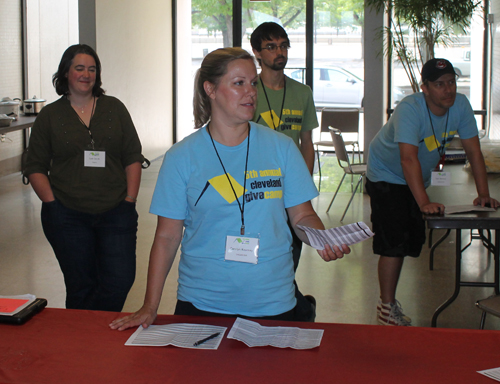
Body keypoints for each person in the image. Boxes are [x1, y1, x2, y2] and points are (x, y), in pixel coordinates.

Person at [110, 47, 349, 331]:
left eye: (253, 83)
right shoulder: (182, 156)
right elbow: (167, 236)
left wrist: (321, 237)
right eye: (239, 83)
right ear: (210, 89)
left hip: (272, 302)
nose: (250, 92)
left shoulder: (282, 148)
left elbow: (301, 216)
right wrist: (150, 306)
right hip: (203, 303)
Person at [366, 58, 499, 326]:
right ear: (424, 87)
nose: (447, 90)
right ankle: (386, 305)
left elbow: (473, 150)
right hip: (385, 174)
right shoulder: (410, 109)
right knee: (394, 241)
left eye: (451, 82)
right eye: (439, 85)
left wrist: (483, 193)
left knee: (410, 239)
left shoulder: (460, 105)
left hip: (416, 177)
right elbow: (408, 159)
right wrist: (424, 201)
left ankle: (389, 302)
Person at [24, 44, 144, 312]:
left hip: (116, 210)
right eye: (79, 68)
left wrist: (129, 200)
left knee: (120, 279)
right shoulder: (50, 116)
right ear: (66, 72)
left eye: (92, 69)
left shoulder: (114, 108)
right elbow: (35, 165)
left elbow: (132, 156)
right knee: (81, 285)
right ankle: (86, 343)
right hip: (67, 215)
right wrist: (52, 204)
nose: (86, 74)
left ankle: (97, 329)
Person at [250, 22, 319, 322]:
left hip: (290, 190)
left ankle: (292, 309)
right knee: (259, 255)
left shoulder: (302, 92)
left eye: (283, 45)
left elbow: (307, 143)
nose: (280, 52)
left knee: (289, 256)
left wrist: (301, 185)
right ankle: (298, 308)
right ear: (257, 53)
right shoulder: (248, 90)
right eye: (271, 46)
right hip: (255, 189)